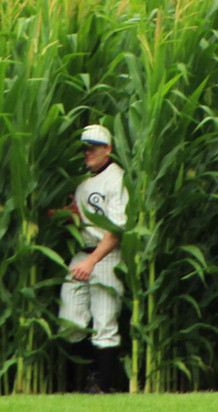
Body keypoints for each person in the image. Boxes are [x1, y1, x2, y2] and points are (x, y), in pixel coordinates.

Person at [57, 124, 128, 394]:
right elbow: (80, 217)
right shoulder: (82, 180)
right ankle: (94, 374)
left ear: (108, 149)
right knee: (70, 324)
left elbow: (116, 230)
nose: (88, 152)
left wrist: (93, 261)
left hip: (106, 255)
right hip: (82, 252)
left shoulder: (116, 179)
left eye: (94, 147)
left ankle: (102, 386)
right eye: (85, 147)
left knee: (104, 322)